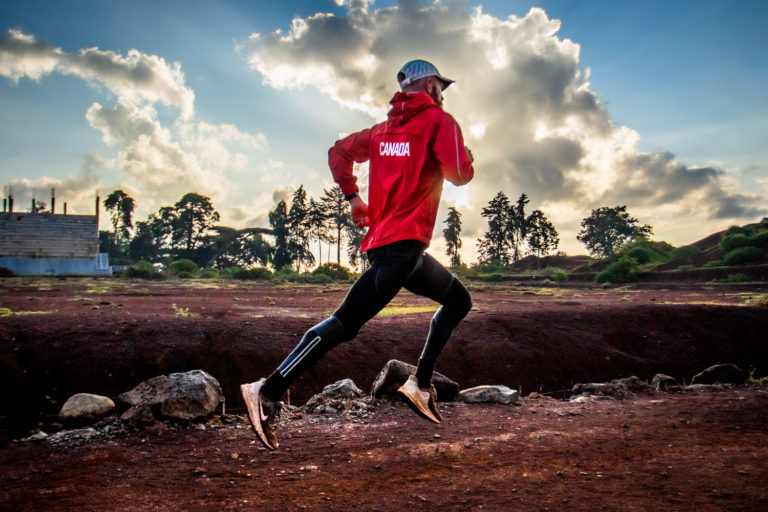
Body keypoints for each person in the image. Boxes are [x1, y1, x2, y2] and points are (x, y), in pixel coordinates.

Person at [241, 59, 475, 450]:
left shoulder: (382, 132)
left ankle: (420, 383)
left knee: (458, 300)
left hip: (397, 247)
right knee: (345, 324)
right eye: (441, 86)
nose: (443, 93)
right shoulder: (440, 122)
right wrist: (467, 156)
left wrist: (353, 198)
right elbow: (459, 174)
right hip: (401, 249)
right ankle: (267, 389)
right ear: (430, 83)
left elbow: (338, 152)